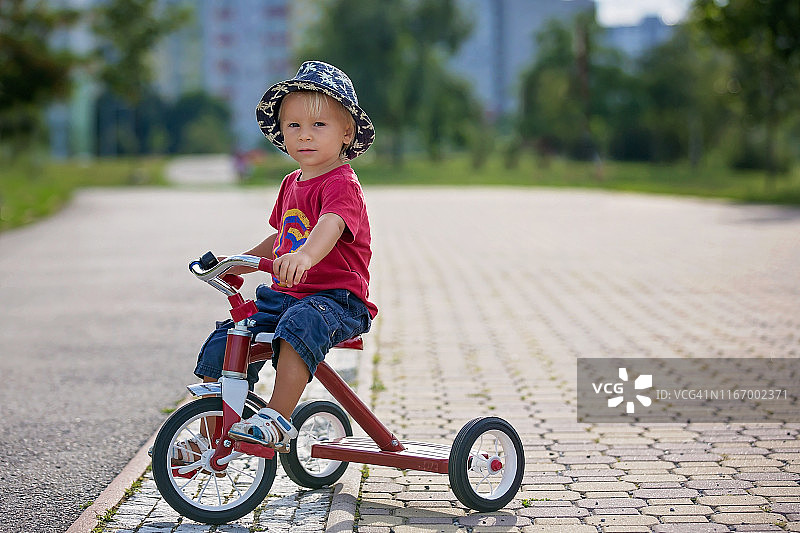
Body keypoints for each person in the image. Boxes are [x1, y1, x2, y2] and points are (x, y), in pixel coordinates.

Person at [192, 61, 378, 453]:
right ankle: (212, 436)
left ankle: (276, 418)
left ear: (346, 133)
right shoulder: (291, 183)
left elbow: (329, 224)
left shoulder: (342, 183)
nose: (304, 136)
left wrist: (307, 255)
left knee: (299, 324)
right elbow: (282, 236)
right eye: (294, 126)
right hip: (286, 296)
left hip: (335, 299)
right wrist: (240, 260)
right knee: (227, 339)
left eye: (318, 126)